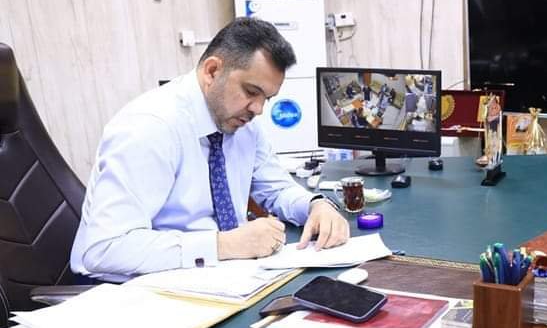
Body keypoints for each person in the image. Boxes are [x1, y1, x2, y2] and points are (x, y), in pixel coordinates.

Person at [71, 17, 349, 282]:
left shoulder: (243, 124)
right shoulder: (150, 127)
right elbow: (104, 249)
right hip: (133, 288)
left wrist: (315, 205)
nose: (258, 109)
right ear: (212, 71)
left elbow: (276, 189)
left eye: (267, 98)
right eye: (251, 92)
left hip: (219, 276)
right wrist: (224, 244)